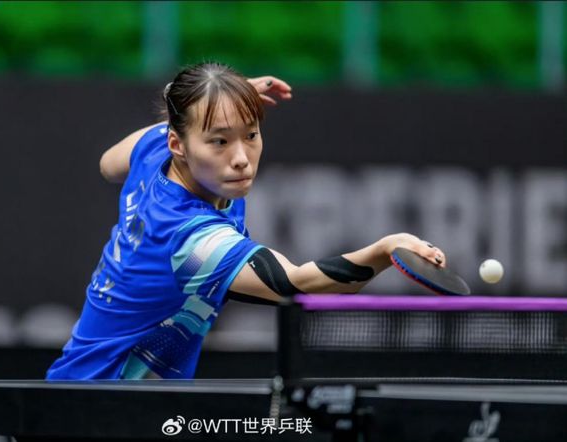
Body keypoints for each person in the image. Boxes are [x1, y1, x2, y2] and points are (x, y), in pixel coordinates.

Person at [46, 62, 446, 380]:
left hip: (116, 400)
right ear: (178, 144)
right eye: (219, 140)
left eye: (250, 135)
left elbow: (108, 164)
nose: (240, 158)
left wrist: (216, 105)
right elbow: (296, 285)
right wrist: (384, 249)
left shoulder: (156, 152)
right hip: (98, 407)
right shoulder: (190, 239)